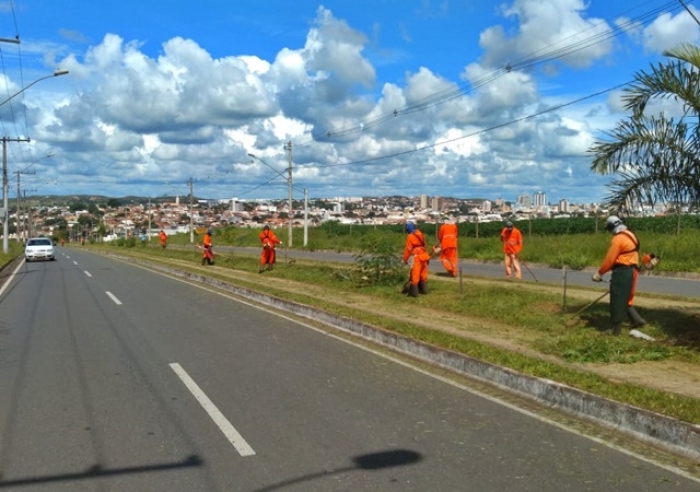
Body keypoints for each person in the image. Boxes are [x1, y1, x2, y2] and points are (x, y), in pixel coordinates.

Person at [592, 215, 646, 335]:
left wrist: (599, 273)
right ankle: (637, 320)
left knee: (617, 298)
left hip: (622, 271)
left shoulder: (618, 239)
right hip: (633, 270)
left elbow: (610, 259)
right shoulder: (631, 234)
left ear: (612, 227)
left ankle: (614, 330)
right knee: (625, 297)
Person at [403, 221, 432, 297]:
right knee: (423, 275)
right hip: (424, 255)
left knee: (415, 275)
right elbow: (425, 245)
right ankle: (424, 290)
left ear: (408, 228)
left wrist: (405, 259)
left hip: (417, 257)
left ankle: (414, 293)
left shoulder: (410, 236)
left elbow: (408, 249)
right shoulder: (420, 233)